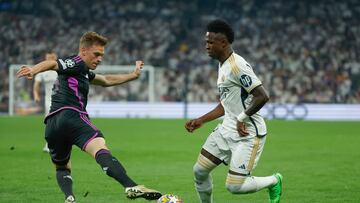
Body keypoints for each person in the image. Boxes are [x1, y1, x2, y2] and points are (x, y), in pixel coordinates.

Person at [17, 31, 162, 203]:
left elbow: (106, 80)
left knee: (62, 166)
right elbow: (52, 63)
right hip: (72, 115)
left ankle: (69, 197)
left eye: (102, 55)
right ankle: (130, 185)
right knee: (100, 147)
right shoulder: (76, 62)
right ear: (83, 51)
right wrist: (33, 69)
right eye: (96, 54)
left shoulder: (82, 71)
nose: (100, 59)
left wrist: (133, 75)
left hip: (51, 124)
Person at [185, 19, 282, 203]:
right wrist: (201, 120)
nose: (206, 46)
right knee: (199, 171)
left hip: (247, 133)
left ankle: (273, 181)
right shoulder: (222, 64)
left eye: (210, 42)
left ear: (223, 43)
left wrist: (242, 118)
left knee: (234, 186)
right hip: (227, 129)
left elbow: (262, 95)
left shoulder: (238, 66)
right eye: (206, 42)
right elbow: (225, 104)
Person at [33, 51, 58, 152]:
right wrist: (36, 95)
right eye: (49, 57)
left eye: (53, 57)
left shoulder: (60, 69)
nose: (51, 59)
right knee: (50, 121)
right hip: (49, 100)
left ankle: (61, 143)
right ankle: (48, 144)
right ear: (46, 58)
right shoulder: (43, 71)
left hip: (63, 99)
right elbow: (36, 84)